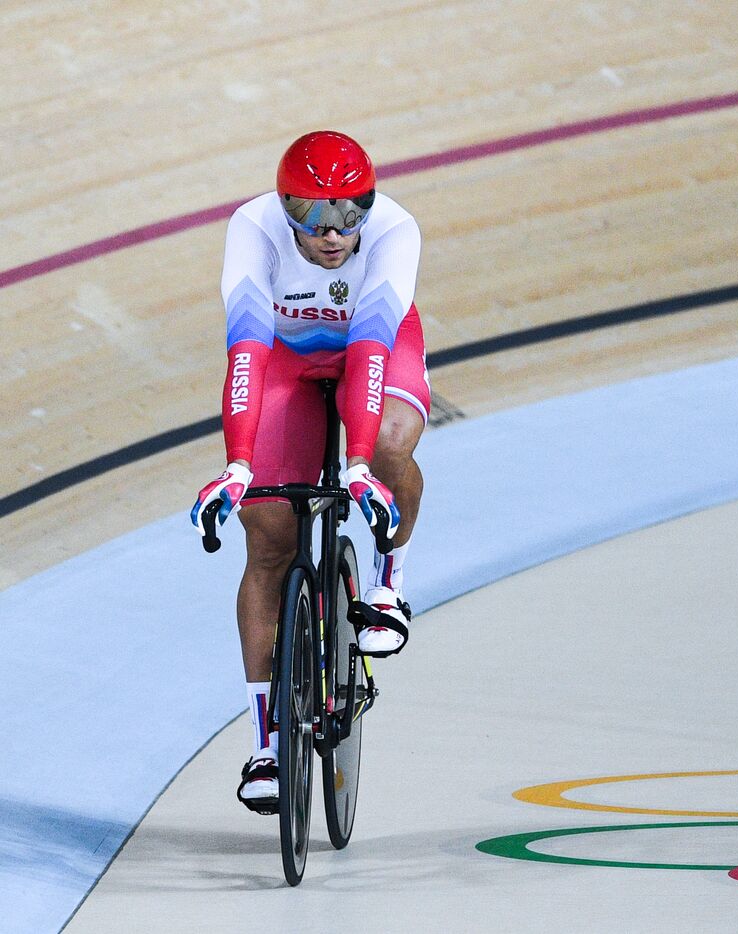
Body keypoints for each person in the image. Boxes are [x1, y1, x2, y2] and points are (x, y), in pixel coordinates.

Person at [190, 130, 429, 813]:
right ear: (285, 207)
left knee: (385, 443)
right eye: (315, 219)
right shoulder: (252, 229)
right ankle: (267, 744)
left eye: (351, 213)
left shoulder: (395, 232)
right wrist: (237, 465)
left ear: (370, 205)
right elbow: (245, 352)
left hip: (371, 351)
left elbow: (374, 345)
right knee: (266, 534)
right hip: (284, 362)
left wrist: (357, 465)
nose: (333, 234)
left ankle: (388, 583)